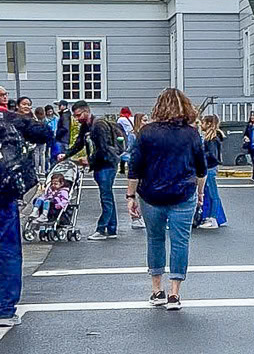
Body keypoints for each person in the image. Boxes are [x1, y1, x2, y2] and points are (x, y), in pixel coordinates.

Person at [125, 88, 206, 311]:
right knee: (180, 241)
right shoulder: (191, 133)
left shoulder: (146, 132)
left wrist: (130, 196)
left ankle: (156, 289)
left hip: (151, 194)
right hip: (183, 193)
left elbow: (135, 167)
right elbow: (201, 168)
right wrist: (200, 193)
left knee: (155, 239)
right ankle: (174, 293)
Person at [0, 97, 55, 328]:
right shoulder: (11, 120)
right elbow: (44, 134)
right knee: (8, 249)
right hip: (4, 191)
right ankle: (5, 308)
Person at [66, 101, 124, 239]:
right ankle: (111, 229)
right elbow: (79, 143)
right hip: (100, 165)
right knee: (107, 196)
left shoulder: (99, 125)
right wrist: (66, 155)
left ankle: (102, 228)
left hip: (107, 164)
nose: (77, 118)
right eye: (75, 116)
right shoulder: (86, 126)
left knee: (106, 197)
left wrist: (89, 160)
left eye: (78, 115)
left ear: (86, 111)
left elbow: (103, 149)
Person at [195, 114, 227, 229]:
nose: (202, 125)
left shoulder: (212, 139)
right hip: (209, 167)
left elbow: (212, 155)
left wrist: (201, 155)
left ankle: (213, 218)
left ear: (208, 124)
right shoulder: (211, 138)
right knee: (209, 193)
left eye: (203, 123)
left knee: (213, 194)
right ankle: (212, 217)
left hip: (210, 168)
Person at [117, 108, 135, 174]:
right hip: (133, 135)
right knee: (130, 151)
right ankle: (130, 167)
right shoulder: (133, 118)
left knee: (124, 151)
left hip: (124, 137)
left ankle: (122, 169)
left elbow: (118, 127)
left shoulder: (120, 119)